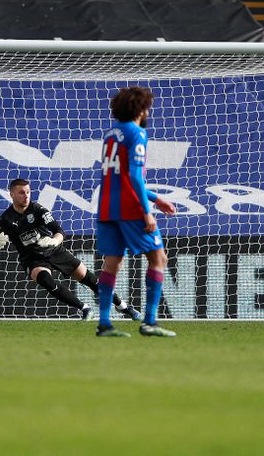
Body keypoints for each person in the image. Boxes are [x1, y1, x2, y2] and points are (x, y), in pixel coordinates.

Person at [0, 178, 141, 321]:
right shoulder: (5, 219)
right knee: (46, 280)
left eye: (28, 192)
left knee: (90, 280)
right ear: (12, 194)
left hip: (54, 250)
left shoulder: (38, 210)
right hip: (32, 258)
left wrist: (54, 241)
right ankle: (85, 309)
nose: (26, 196)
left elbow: (59, 231)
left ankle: (124, 307)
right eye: (22, 192)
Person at [95, 86, 177, 338]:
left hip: (107, 208)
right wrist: (147, 211)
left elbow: (118, 177)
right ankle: (149, 322)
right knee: (158, 258)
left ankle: (105, 323)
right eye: (147, 107)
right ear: (140, 109)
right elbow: (133, 177)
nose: (149, 111)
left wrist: (157, 198)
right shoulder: (137, 134)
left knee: (112, 264)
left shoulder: (110, 135)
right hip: (130, 209)